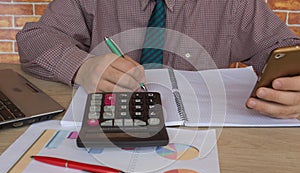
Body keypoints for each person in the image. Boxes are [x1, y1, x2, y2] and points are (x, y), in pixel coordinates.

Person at [16, 0, 300, 119]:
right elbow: (36, 36)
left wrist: (293, 84)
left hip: (207, 141)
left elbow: (283, 47)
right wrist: (82, 66)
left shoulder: (235, 4)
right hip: (109, 128)